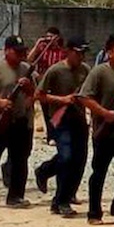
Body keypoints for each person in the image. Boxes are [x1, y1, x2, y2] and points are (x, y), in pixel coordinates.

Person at [77, 35, 114, 224]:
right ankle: (94, 213)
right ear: (109, 53)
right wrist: (104, 113)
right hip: (104, 132)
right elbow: (84, 97)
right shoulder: (99, 72)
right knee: (99, 173)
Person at [0, 36, 38, 208]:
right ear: (7, 50)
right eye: (16, 51)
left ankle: (16, 196)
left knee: (20, 159)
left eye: (22, 51)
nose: (20, 55)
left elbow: (35, 93)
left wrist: (28, 88)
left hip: (19, 119)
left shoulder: (26, 69)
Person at [34, 37, 91, 217]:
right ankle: (48, 176)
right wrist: (62, 99)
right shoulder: (55, 71)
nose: (81, 56)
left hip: (79, 120)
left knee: (78, 161)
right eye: (78, 52)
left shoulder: (86, 70)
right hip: (61, 121)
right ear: (68, 51)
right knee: (66, 158)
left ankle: (60, 199)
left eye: (83, 53)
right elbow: (40, 95)